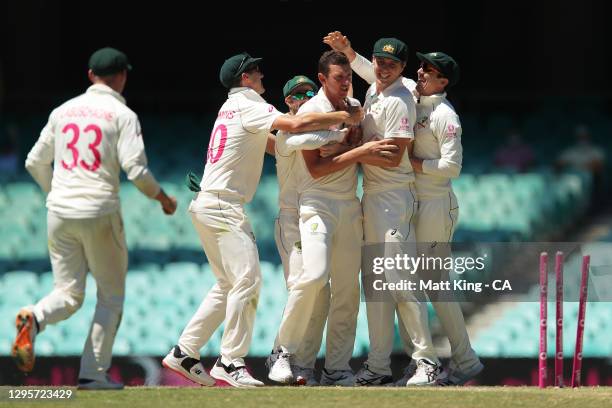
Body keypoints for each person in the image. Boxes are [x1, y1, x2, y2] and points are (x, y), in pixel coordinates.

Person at [161, 52, 364, 388]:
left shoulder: (230, 107)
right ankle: (230, 361)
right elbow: (295, 125)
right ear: (244, 79)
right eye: (255, 71)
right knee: (248, 281)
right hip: (225, 206)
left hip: (208, 203)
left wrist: (334, 137)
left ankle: (186, 350)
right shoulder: (250, 103)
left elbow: (279, 143)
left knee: (228, 284)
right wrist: (346, 117)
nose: (260, 75)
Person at [12, 47, 177, 390]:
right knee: (110, 296)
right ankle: (92, 374)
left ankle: (35, 317)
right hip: (99, 210)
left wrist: (52, 194)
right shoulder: (122, 113)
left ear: (90, 75)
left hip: (59, 212)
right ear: (123, 76)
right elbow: (137, 171)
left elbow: (33, 161)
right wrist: (163, 198)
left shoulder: (62, 111)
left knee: (69, 294)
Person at [325, 32, 484, 386]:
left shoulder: (443, 113)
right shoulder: (411, 90)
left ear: (443, 80)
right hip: (397, 197)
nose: (423, 73)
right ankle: (384, 364)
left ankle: (446, 360)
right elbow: (374, 72)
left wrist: (410, 162)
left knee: (427, 282)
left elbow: (452, 167)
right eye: (422, 67)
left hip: (431, 202)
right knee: (383, 281)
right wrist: (348, 52)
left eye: (430, 70)